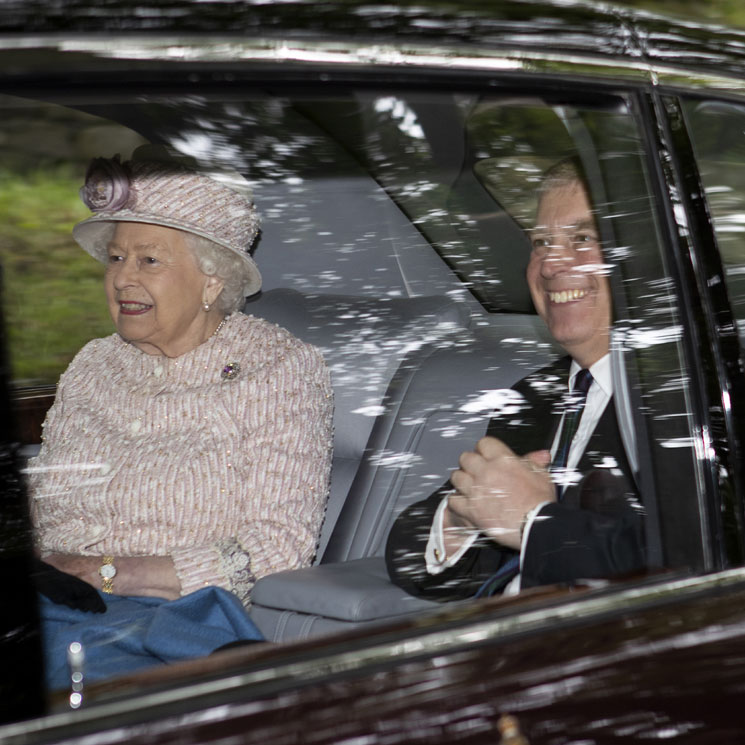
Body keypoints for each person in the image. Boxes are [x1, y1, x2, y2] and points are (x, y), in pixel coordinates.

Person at [27, 146, 334, 688]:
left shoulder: (278, 369)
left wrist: (111, 573)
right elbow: (47, 495)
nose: (122, 279)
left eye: (149, 260)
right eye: (116, 258)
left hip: (166, 630)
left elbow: (280, 546)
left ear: (212, 279)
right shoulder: (92, 364)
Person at [385, 158, 645, 601]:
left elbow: (679, 568)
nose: (551, 263)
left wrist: (536, 521)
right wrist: (462, 519)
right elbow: (407, 552)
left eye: (583, 239)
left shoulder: (691, 402)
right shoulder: (534, 395)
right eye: (542, 242)